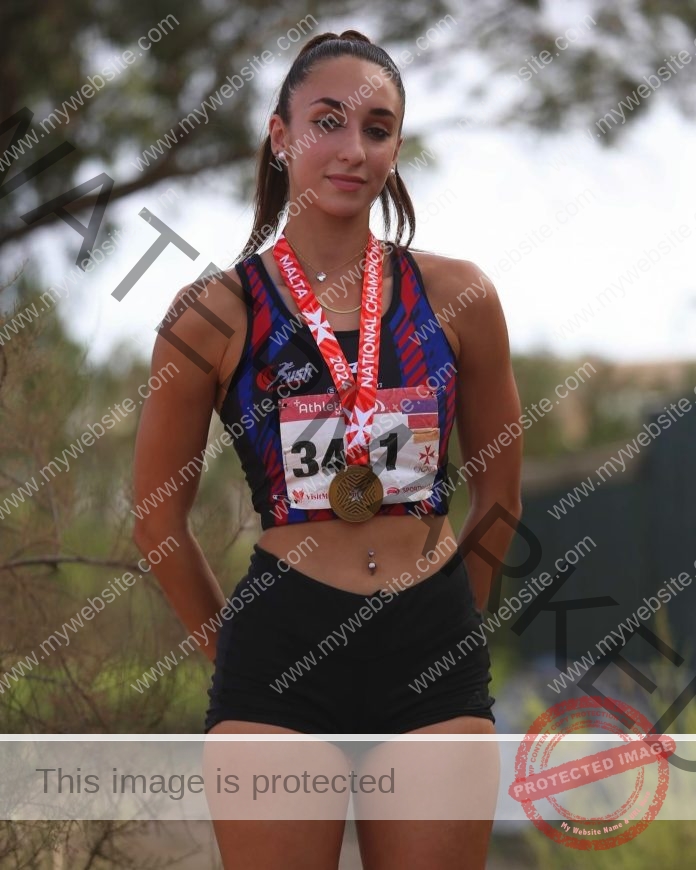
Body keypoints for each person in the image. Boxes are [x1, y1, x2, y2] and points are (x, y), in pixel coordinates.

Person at [133, 28, 523, 870]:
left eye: (377, 129)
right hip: (280, 653)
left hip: (432, 651)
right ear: (280, 136)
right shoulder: (214, 313)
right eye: (327, 122)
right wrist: (233, 651)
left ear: (396, 147)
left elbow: (501, 497)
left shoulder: (460, 297)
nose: (352, 149)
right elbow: (155, 521)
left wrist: (453, 624)